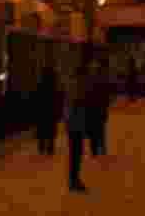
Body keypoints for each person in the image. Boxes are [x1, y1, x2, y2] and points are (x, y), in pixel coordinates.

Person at [65, 64, 89, 193]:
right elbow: (78, 104)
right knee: (76, 154)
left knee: (75, 153)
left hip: (72, 124)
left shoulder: (71, 84)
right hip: (76, 125)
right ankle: (74, 181)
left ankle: (74, 179)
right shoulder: (78, 87)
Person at [34, 64, 64, 156]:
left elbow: (36, 99)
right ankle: (50, 147)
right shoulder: (54, 86)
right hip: (51, 111)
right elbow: (59, 99)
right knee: (51, 129)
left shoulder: (40, 85)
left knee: (42, 129)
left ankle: (42, 146)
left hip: (42, 111)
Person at [85, 58, 113, 155]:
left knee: (97, 129)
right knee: (98, 129)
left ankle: (96, 149)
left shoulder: (91, 80)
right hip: (96, 109)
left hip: (96, 109)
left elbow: (106, 95)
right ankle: (99, 148)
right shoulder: (100, 79)